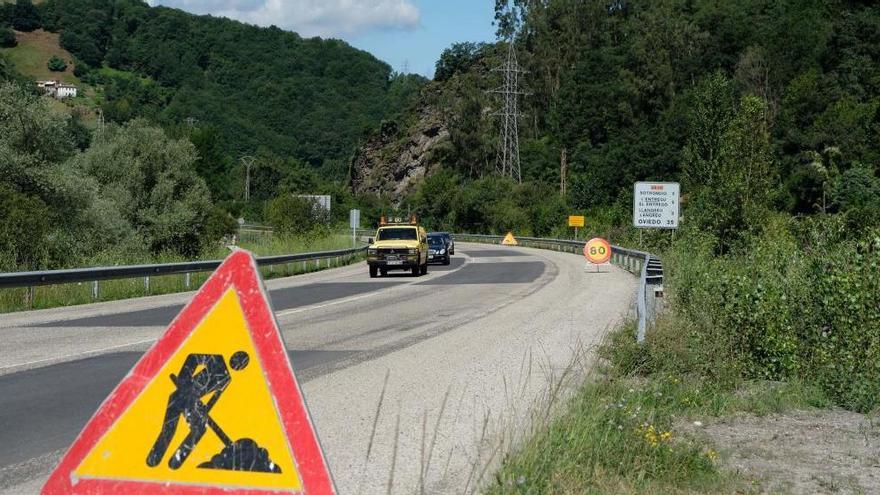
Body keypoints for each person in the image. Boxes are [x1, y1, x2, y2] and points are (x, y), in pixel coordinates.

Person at [146, 351, 250, 469]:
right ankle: (155, 458)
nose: (238, 365)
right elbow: (192, 359)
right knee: (170, 428)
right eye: (239, 361)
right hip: (179, 397)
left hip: (192, 403)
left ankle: (175, 461)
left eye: (242, 364)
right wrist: (184, 384)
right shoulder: (216, 359)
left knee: (199, 428)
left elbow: (215, 397)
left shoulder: (227, 379)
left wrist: (204, 409)